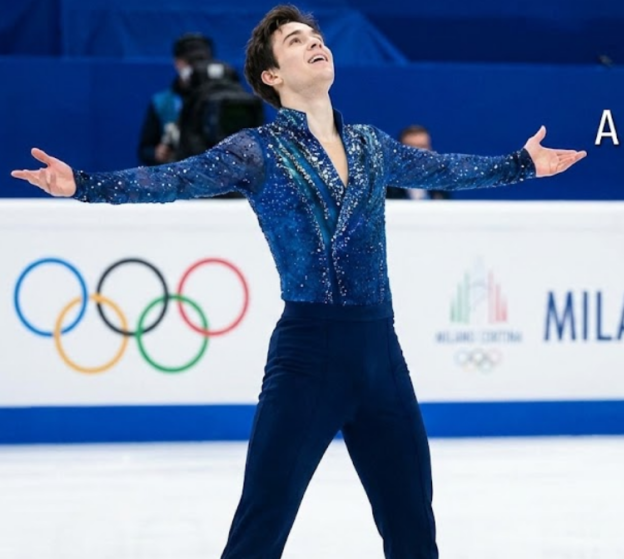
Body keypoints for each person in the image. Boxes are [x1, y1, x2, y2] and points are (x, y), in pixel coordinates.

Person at [10, 4, 586, 558]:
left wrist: (521, 164)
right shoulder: (257, 151)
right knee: (260, 528)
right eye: (295, 41)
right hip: (309, 356)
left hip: (381, 354)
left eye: (315, 36)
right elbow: (173, 179)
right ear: (271, 75)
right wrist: (82, 184)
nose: (314, 42)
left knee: (414, 532)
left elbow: (446, 169)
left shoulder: (369, 144)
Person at [137, 33, 215, 166]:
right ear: (178, 63)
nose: (195, 67)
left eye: (201, 61)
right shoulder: (162, 102)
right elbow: (145, 150)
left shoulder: (225, 99)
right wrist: (156, 153)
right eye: (190, 62)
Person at [385, 125, 450, 200]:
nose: (418, 153)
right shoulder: (386, 188)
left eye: (423, 146)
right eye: (411, 147)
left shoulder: (440, 185)